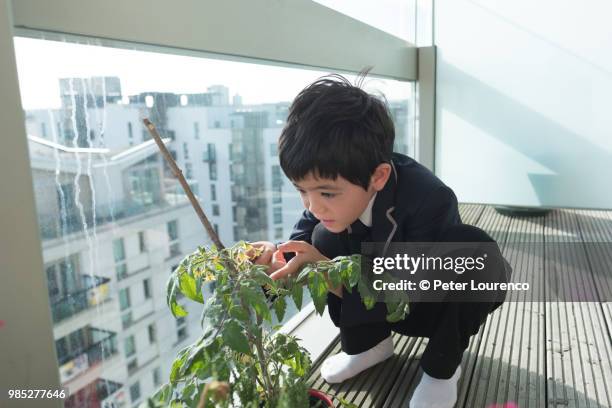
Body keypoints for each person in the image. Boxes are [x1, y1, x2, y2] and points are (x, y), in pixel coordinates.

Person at [249, 73, 506, 408]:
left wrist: (329, 272)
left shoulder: (431, 198)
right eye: (302, 191)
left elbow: (410, 289)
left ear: (379, 176)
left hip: (432, 301)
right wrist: (273, 262)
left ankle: (442, 369)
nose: (313, 205)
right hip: (378, 290)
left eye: (325, 192)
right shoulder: (327, 196)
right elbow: (302, 244)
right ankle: (369, 345)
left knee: (478, 253)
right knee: (322, 234)